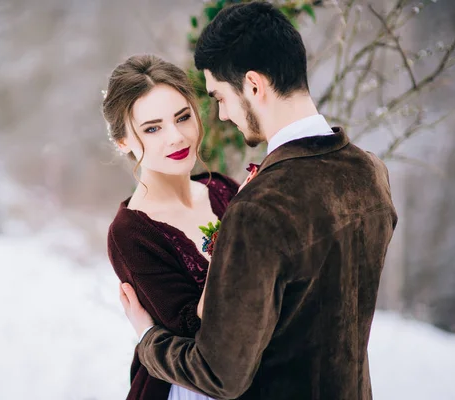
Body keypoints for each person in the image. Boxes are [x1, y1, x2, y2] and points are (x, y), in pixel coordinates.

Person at [119, 2, 398, 399]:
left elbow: (220, 374)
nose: (221, 113)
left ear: (253, 85)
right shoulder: (371, 173)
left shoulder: (259, 208)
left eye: (220, 96)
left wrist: (148, 339)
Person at [103, 54, 240, 400]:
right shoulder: (130, 234)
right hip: (192, 389)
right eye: (153, 128)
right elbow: (198, 333)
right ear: (123, 142)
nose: (176, 137)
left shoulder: (224, 189)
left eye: (183, 117)